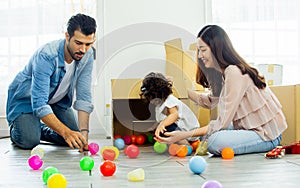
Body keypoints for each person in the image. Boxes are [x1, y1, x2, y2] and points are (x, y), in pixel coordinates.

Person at [155, 25, 288, 156]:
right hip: (248, 128)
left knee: (213, 141)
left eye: (203, 50)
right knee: (207, 136)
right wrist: (180, 89)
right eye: (198, 51)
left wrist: (184, 134)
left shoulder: (234, 72)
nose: (200, 55)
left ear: (216, 49)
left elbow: (222, 122)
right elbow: (209, 101)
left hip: (267, 135)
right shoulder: (222, 73)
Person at [6, 13, 97, 152]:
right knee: (29, 140)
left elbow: (84, 97)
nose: (83, 50)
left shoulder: (88, 55)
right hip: (27, 100)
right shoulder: (47, 55)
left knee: (74, 138)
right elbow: (39, 104)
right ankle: (23, 129)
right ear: (67, 36)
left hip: (56, 101)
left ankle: (37, 129)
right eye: (78, 43)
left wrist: (84, 134)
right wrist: (66, 132)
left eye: (88, 44)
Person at [140, 72, 200, 145]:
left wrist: (162, 124)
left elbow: (174, 115)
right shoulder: (159, 105)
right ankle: (179, 142)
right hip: (181, 129)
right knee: (163, 130)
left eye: (153, 99)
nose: (152, 102)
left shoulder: (170, 100)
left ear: (161, 94)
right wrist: (154, 127)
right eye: (150, 99)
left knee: (167, 127)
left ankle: (185, 144)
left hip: (189, 130)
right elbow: (162, 119)